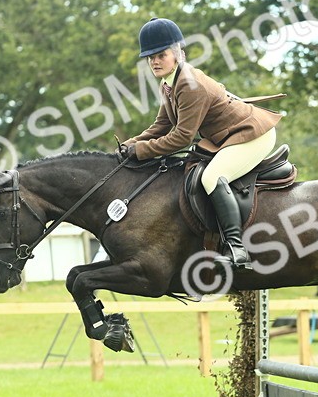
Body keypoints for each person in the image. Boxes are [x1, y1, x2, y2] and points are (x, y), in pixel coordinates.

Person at [120, 18, 282, 269]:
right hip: (227, 137)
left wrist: (140, 151)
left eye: (160, 55)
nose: (154, 61)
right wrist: (129, 145)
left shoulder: (189, 84)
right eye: (150, 57)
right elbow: (161, 126)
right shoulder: (168, 83)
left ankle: (237, 248)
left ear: (177, 54)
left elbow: (182, 137)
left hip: (253, 134)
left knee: (212, 177)